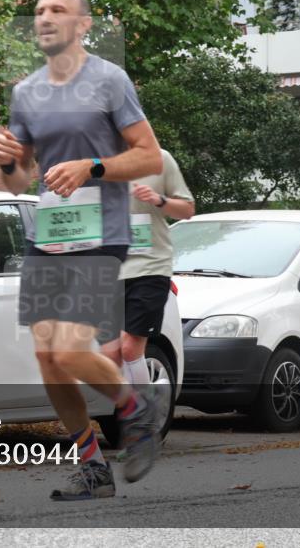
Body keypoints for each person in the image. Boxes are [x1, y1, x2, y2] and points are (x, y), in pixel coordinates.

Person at [0, 0, 163, 500]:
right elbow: (19, 182)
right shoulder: (26, 93)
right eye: (39, 11)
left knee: (68, 350)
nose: (44, 18)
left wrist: (93, 167)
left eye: (57, 10)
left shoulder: (109, 80)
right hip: (50, 233)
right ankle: (92, 465)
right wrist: (5, 159)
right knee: (47, 358)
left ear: (83, 25)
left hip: (101, 232)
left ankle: (135, 408)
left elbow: (148, 157)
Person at [102, 149, 194, 418]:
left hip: (150, 266)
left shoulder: (159, 159)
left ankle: (143, 421)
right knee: (109, 355)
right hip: (109, 269)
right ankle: (140, 406)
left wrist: (159, 199)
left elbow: (187, 209)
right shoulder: (93, 162)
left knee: (130, 347)